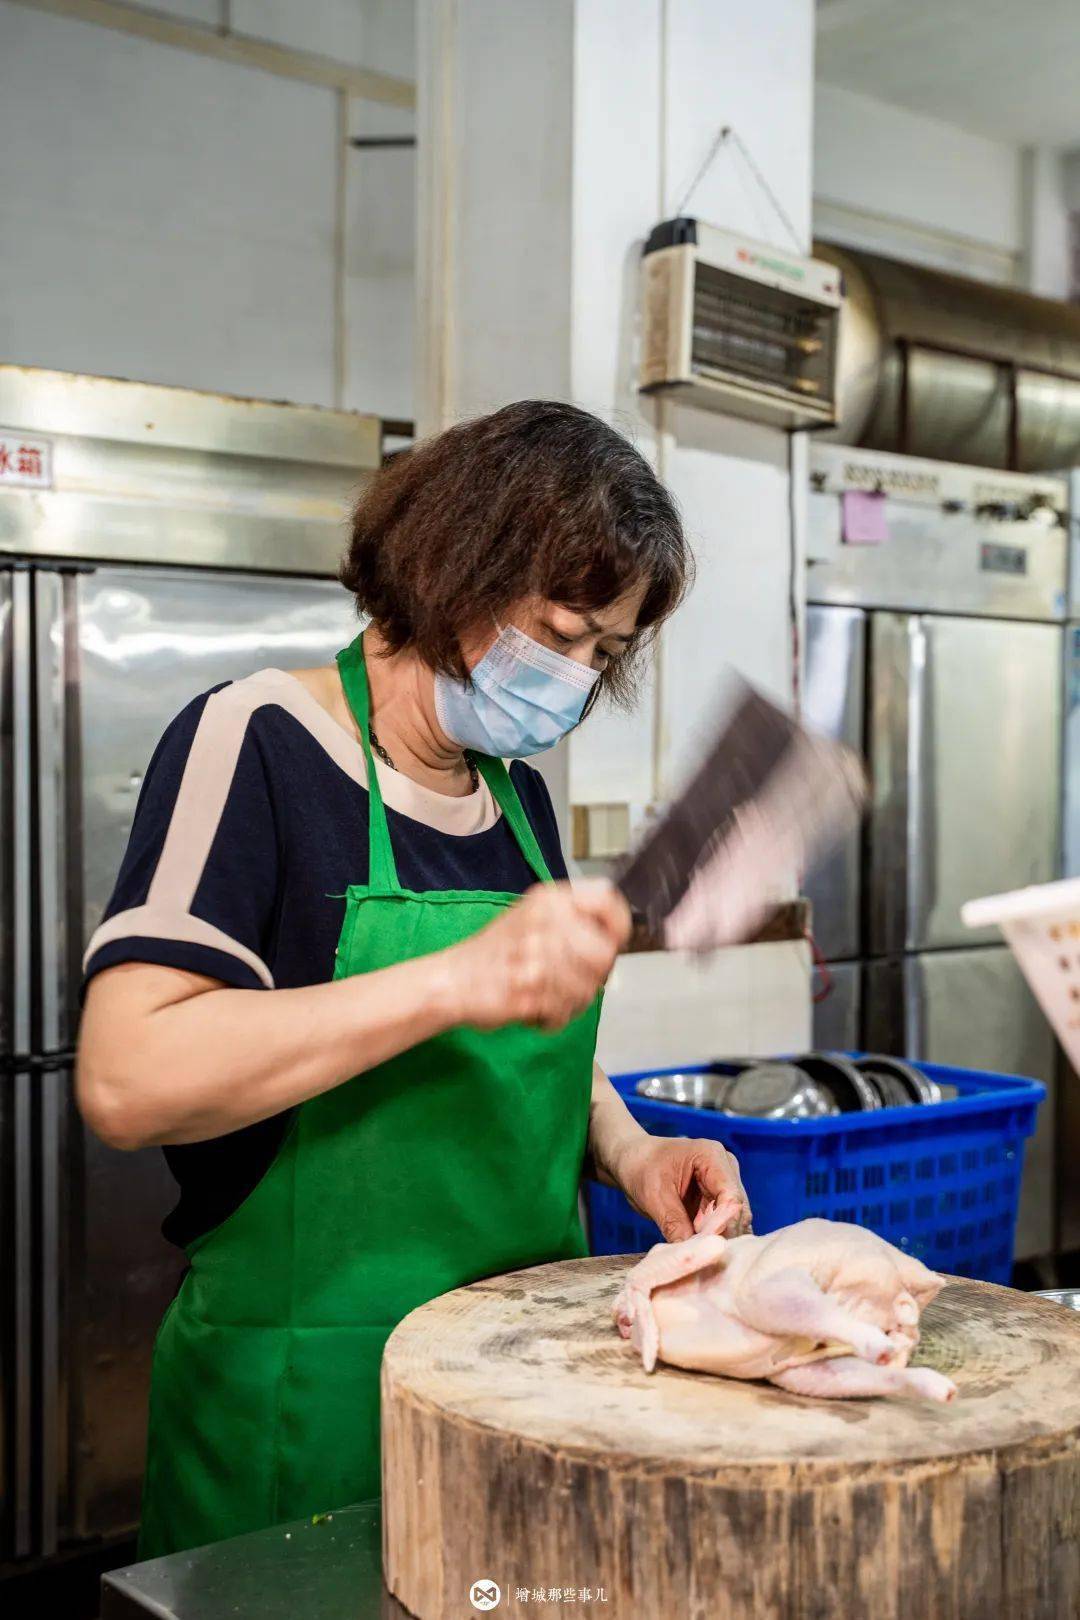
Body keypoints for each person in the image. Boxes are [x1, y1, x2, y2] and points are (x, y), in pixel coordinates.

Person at [76, 399, 751, 1559]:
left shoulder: (516, 798)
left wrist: (630, 1149)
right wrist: (450, 979)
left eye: (607, 653)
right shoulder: (259, 743)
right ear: (452, 569)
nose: (579, 679)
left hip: (526, 1387)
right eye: (562, 632)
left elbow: (525, 1044)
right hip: (310, 1409)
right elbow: (129, 1077)